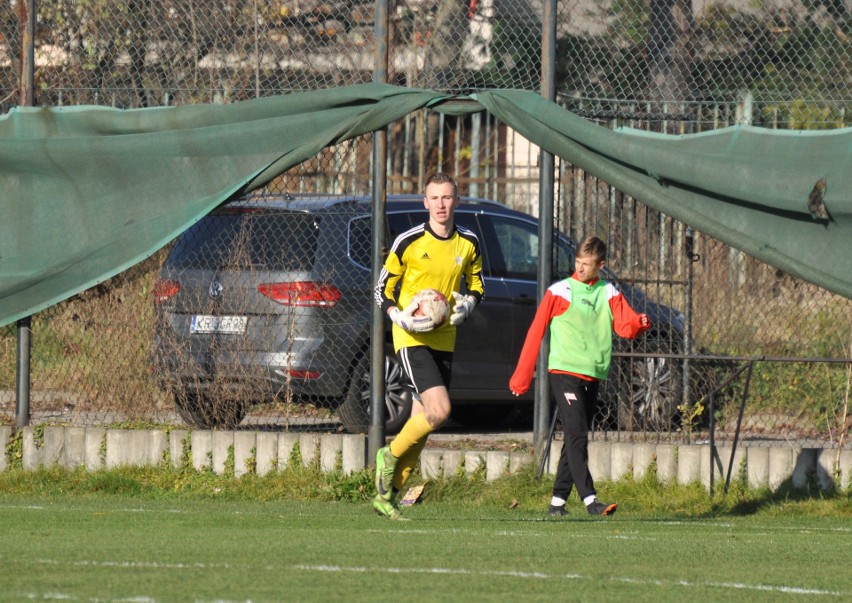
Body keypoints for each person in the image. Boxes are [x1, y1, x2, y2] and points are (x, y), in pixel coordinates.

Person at [509, 236, 650, 517]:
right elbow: (535, 332)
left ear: (600, 265)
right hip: (564, 372)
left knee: (575, 437)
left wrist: (639, 323)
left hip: (593, 374)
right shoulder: (560, 291)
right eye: (577, 263)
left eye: (587, 264)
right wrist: (522, 376)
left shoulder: (608, 292)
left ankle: (557, 504)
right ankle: (590, 500)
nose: (580, 268)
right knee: (577, 435)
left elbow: (625, 325)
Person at [372, 172, 485, 519]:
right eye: (434, 198)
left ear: (457, 202)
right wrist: (398, 316)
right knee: (440, 411)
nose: (441, 204)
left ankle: (387, 496)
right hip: (411, 337)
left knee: (424, 425)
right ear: (425, 202)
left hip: (444, 339)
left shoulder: (467, 243)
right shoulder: (408, 241)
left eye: (447, 197)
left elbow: (477, 284)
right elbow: (382, 290)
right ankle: (387, 457)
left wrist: (468, 306)